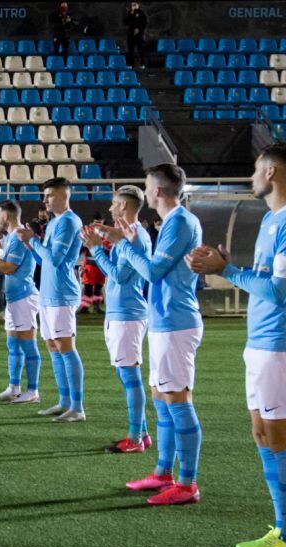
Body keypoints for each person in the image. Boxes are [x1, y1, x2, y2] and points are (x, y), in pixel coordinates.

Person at [188, 143, 286, 547]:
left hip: (281, 344)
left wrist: (225, 271)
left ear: (273, 173)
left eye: (256, 170)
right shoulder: (272, 219)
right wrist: (226, 264)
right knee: (263, 436)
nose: (251, 177)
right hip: (262, 342)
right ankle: (282, 529)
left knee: (282, 440)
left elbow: (280, 292)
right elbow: (265, 278)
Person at [95, 163, 204, 506]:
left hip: (176, 322)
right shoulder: (173, 222)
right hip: (162, 321)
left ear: (157, 190)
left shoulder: (181, 221)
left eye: (147, 185)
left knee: (177, 401)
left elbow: (153, 272)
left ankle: (187, 483)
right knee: (161, 397)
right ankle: (163, 473)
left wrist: (124, 246)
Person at [82, 186, 152, 453]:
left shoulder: (135, 238)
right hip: (122, 313)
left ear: (123, 205)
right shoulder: (129, 235)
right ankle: (141, 433)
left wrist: (97, 250)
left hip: (128, 314)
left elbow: (120, 276)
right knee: (127, 376)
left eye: (113, 204)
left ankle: (135, 438)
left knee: (130, 376)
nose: (110, 208)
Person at [17, 177, 86, 422]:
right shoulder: (56, 221)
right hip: (47, 293)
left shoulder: (69, 221)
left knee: (66, 347)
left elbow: (56, 259)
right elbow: (44, 260)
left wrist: (33, 240)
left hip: (61, 294)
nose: (44, 200)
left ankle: (77, 407)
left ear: (63, 195)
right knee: (53, 346)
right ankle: (64, 401)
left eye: (49, 195)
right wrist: (30, 246)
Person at [0, 202, 41, 404]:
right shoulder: (12, 237)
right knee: (13, 344)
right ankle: (14, 388)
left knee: (28, 344)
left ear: (6, 215)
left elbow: (8, 268)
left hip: (24, 297)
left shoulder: (19, 236)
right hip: (14, 298)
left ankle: (33, 392)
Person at [124, 2, 149, 69]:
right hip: (131, 35)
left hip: (139, 35)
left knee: (140, 50)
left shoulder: (141, 13)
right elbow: (126, 22)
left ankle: (142, 64)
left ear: (138, 5)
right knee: (130, 50)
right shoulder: (130, 13)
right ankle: (130, 64)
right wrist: (130, 13)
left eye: (134, 5)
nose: (133, 6)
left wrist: (139, 30)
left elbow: (145, 23)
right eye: (132, 5)